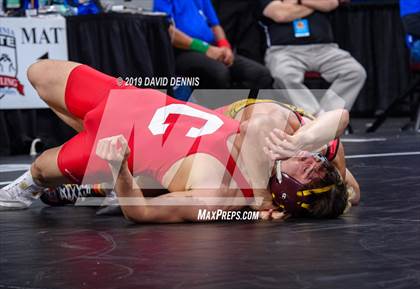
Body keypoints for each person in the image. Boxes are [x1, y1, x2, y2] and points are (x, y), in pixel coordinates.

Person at [0, 60, 356, 223]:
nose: (311, 160)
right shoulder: (283, 141)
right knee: (37, 72)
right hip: (133, 99)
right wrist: (305, 140)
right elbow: (338, 119)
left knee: (40, 170)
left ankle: (71, 185)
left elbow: (139, 212)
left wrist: (118, 167)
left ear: (285, 193)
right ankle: (92, 184)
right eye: (316, 160)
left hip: (119, 144)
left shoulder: (222, 199)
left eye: (309, 170)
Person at [259, 0, 367, 115]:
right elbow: (281, 14)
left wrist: (298, 2)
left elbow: (331, 3)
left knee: (355, 72)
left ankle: (327, 117)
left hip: (325, 49)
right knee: (284, 74)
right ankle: (314, 117)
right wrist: (315, 5)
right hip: (284, 51)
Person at [153, 0, 274, 90]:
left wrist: (225, 47)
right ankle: (219, 115)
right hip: (183, 51)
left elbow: (215, 25)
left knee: (259, 74)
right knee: (219, 73)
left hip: (212, 48)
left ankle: (241, 112)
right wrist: (204, 48)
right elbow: (167, 30)